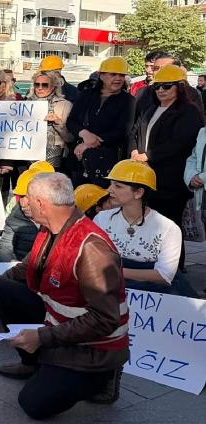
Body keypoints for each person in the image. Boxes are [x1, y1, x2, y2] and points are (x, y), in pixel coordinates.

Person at [0, 172, 129, 419]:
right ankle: (34, 362)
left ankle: (103, 378)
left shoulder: (91, 248)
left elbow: (104, 320)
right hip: (60, 326)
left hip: (94, 348)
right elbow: (24, 270)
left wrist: (42, 336)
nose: (22, 203)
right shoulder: (49, 229)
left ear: (41, 204)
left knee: (33, 404)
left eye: (26, 198)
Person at [128, 64, 204, 254]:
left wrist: (148, 155)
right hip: (146, 177)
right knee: (149, 224)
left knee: (170, 226)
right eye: (157, 86)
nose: (161, 90)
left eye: (166, 86)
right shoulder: (150, 109)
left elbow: (181, 142)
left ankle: (175, 269)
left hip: (171, 180)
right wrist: (134, 152)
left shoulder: (188, 111)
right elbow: (134, 132)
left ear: (179, 87)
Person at [94, 160, 198, 297]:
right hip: (110, 286)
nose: (109, 190)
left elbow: (164, 276)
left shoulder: (168, 228)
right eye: (111, 184)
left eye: (118, 186)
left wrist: (118, 272)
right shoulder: (102, 219)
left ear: (138, 193)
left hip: (155, 294)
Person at [66, 57, 135, 187]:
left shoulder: (128, 100)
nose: (118, 78)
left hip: (106, 162)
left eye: (121, 75)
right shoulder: (86, 94)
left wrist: (90, 144)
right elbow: (71, 121)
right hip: (78, 160)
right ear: (101, 75)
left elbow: (122, 131)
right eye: (113, 74)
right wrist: (84, 133)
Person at [0, 168, 51, 262]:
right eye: (21, 197)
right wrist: (8, 265)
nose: (23, 204)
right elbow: (4, 247)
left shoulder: (59, 219)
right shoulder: (14, 217)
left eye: (27, 197)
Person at [28, 70, 73, 169]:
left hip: (53, 156)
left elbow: (70, 138)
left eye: (44, 85)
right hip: (28, 153)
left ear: (53, 87)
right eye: (37, 84)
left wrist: (58, 123)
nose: (40, 88)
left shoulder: (65, 105)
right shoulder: (26, 104)